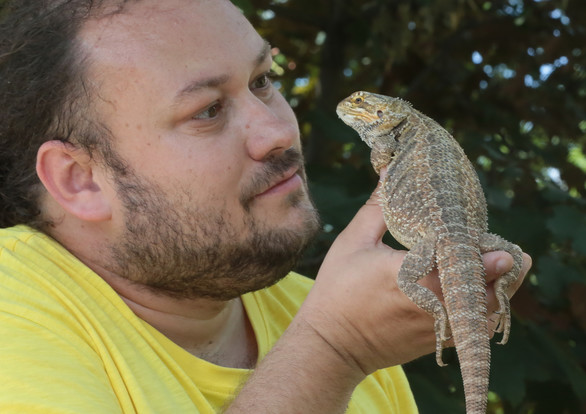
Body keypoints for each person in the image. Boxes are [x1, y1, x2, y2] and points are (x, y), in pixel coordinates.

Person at [0, 0, 532, 412]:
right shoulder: (12, 309)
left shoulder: (333, 307)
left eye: (262, 81)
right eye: (208, 110)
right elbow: (336, 338)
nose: (279, 131)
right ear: (80, 181)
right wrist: (332, 351)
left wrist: (336, 338)